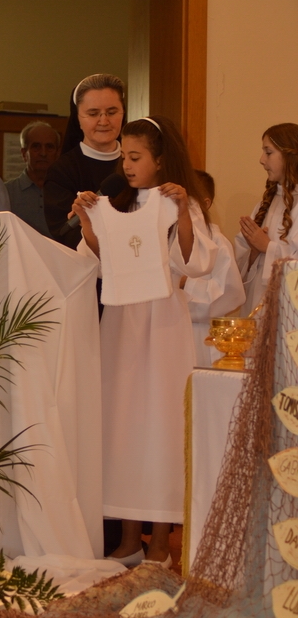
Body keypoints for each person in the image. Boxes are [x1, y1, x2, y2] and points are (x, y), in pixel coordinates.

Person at [72, 116, 217, 567]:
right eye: (124, 157)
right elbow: (99, 262)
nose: (127, 166)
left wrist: (183, 213)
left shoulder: (179, 204)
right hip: (122, 323)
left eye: (135, 157)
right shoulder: (120, 203)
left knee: (160, 427)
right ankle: (130, 539)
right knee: (123, 426)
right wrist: (88, 222)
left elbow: (196, 264)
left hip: (163, 326)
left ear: (160, 160)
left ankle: (159, 545)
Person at [44, 73, 128, 248]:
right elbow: (63, 234)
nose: (104, 121)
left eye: (112, 112)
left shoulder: (139, 162)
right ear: (78, 118)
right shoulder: (62, 172)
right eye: (93, 113)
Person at [181, 170, 245, 367]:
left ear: (205, 204)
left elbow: (230, 295)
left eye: (186, 203)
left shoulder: (218, 243)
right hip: (168, 332)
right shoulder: (166, 240)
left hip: (201, 335)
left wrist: (185, 284)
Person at [235, 123, 298, 316]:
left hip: (289, 313)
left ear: (289, 155)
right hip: (257, 305)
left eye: (268, 152)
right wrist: (253, 252)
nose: (261, 160)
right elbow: (239, 266)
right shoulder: (265, 204)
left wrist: (267, 247)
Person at [5, 122, 60, 236]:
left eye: (49, 147)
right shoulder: (6, 192)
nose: (43, 153)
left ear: (57, 154)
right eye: (36, 147)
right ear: (24, 154)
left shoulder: (67, 192)